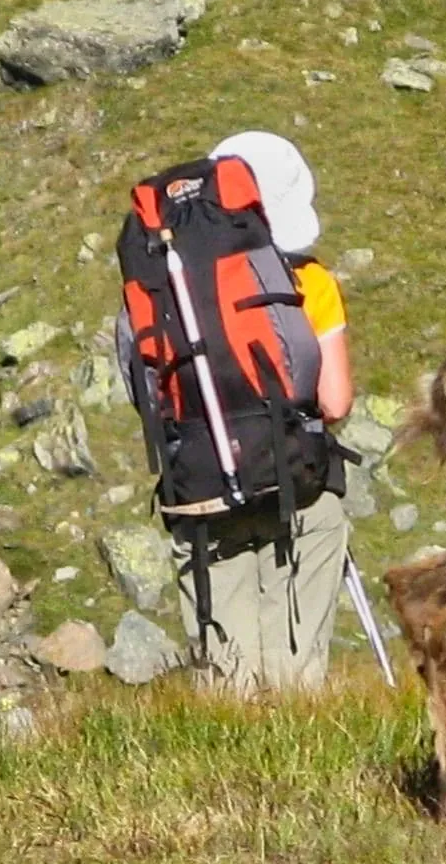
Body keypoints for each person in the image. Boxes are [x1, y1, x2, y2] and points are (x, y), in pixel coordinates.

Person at [150, 132, 355, 693]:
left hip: (199, 486)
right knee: (294, 666)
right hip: (294, 483)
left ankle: (230, 753)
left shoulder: (160, 289)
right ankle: (295, 749)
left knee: (227, 669)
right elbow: (335, 401)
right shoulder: (309, 282)